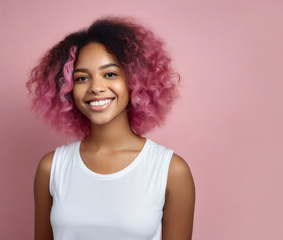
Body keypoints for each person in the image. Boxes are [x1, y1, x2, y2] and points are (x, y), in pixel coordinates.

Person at [26, 16, 195, 240]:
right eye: (82, 78)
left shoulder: (171, 171)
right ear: (67, 89)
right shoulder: (51, 169)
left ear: (135, 81)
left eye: (110, 74)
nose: (96, 87)